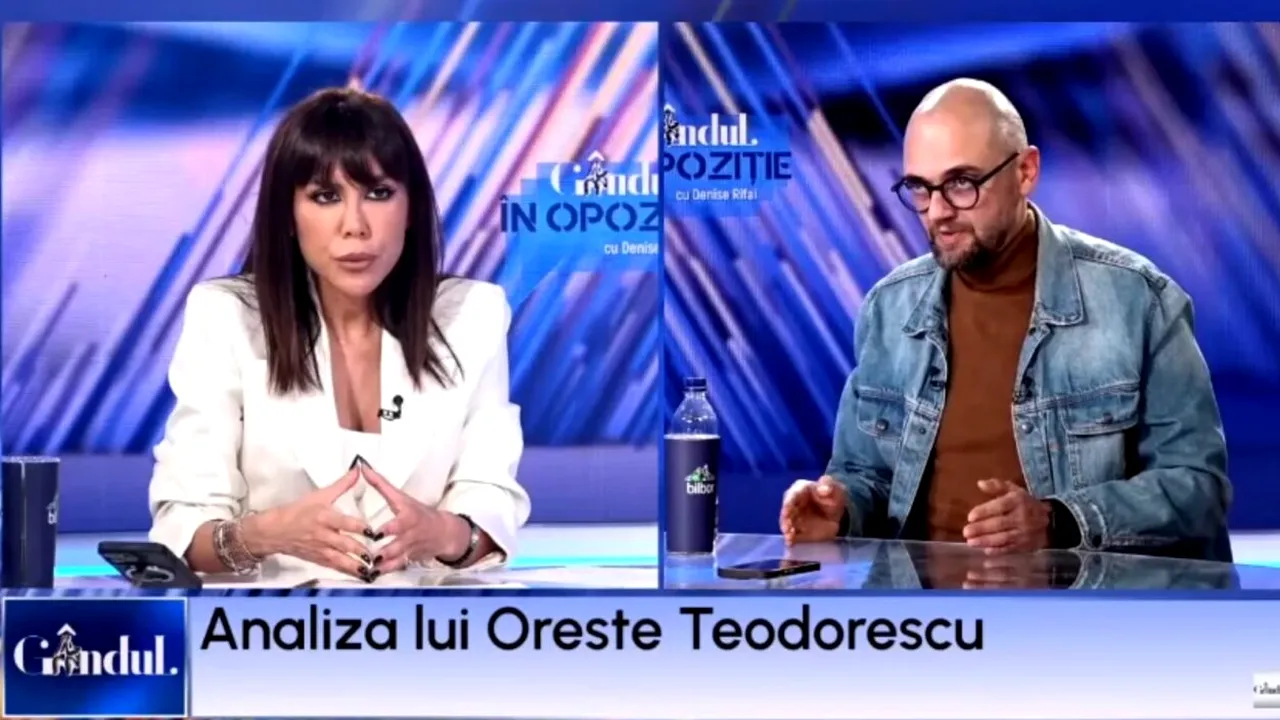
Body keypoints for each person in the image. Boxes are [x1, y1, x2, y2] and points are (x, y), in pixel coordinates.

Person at [780, 78, 1232, 562]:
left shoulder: (1139, 298)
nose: (937, 212)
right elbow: (864, 474)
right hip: (920, 608)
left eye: (961, 183)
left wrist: (1060, 521)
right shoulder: (888, 309)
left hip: (1080, 606)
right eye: (919, 188)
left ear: (1025, 171)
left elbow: (1197, 488)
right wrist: (841, 510)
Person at [149, 87, 530, 584]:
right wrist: (266, 534)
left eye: (379, 193)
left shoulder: (470, 316)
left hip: (426, 621)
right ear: (288, 215)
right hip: (273, 624)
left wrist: (443, 533)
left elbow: (491, 497)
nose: (355, 226)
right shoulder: (228, 317)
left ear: (412, 209)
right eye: (325, 197)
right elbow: (181, 533)